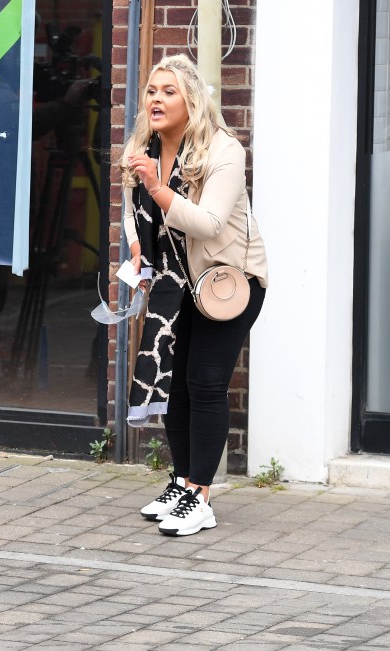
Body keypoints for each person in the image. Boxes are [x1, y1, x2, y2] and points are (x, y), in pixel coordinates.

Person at [119, 55, 268, 537]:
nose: (156, 99)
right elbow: (131, 211)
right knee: (176, 385)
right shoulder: (143, 145)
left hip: (225, 284)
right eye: (151, 91)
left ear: (192, 101)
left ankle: (201, 494)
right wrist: (139, 248)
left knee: (204, 383)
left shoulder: (223, 150)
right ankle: (183, 483)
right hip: (174, 285)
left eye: (169, 91)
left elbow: (209, 223)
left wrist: (159, 189)